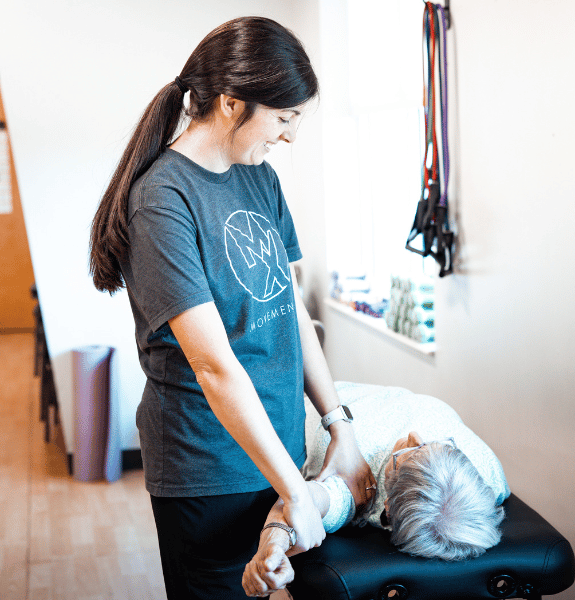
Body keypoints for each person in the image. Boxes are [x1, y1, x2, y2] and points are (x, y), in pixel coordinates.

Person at [88, 17, 374, 600]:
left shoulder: (259, 178)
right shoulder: (162, 200)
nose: (289, 136)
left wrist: (335, 421)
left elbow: (290, 307)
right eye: (284, 118)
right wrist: (295, 492)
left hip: (280, 451)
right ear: (230, 102)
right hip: (207, 469)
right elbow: (213, 365)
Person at [242, 382, 511, 597]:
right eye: (438, 445)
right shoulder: (488, 475)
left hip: (330, 401)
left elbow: (310, 500)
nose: (415, 437)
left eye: (410, 452)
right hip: (339, 395)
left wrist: (275, 544)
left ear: (388, 508)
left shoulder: (363, 487)